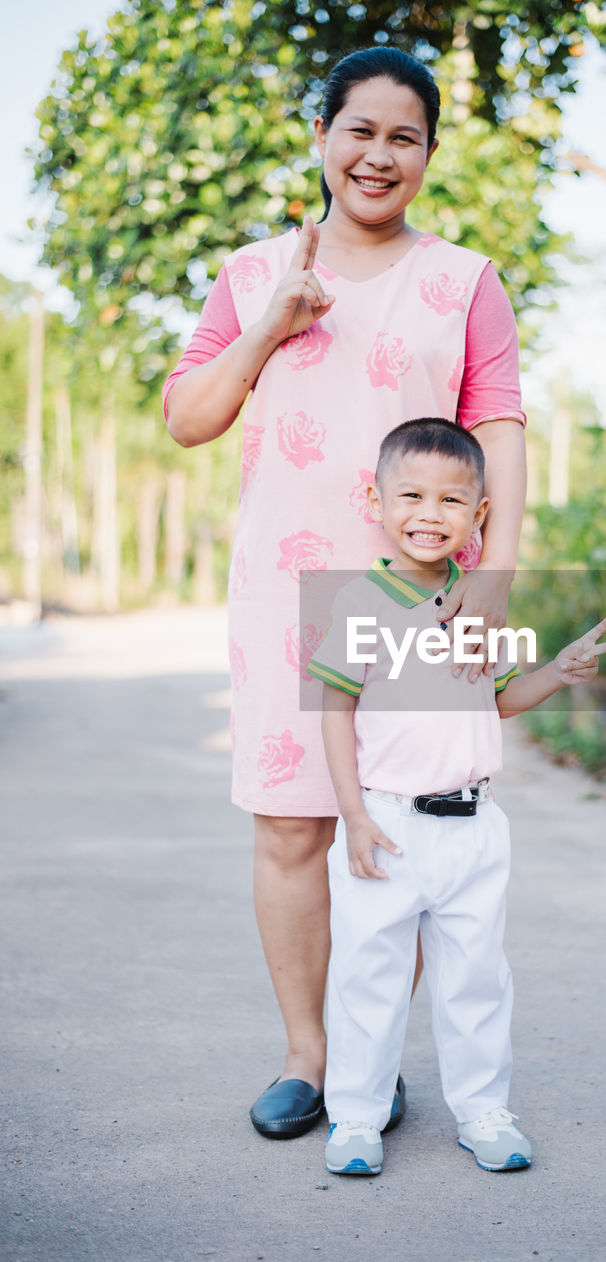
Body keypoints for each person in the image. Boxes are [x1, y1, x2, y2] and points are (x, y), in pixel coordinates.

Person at [162, 47, 527, 1138]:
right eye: (359, 129)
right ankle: (309, 1059)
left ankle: (374, 1055)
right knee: (288, 829)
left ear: (426, 154)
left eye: (404, 137)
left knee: (402, 833)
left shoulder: (465, 280)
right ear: (323, 135)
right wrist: (274, 318)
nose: (379, 154)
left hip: (418, 597)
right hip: (283, 589)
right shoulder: (251, 272)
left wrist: (496, 576)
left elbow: (499, 423)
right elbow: (187, 414)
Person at [308, 418, 606, 1175]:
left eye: (452, 500)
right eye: (411, 495)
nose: (430, 513)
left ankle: (483, 1110)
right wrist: (352, 817)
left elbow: (502, 700)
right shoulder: (359, 602)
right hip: (385, 822)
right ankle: (355, 1117)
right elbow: (334, 714)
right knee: (367, 974)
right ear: (376, 501)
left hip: (474, 824)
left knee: (476, 976)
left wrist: (560, 669)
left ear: (478, 515)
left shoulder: (479, 605)